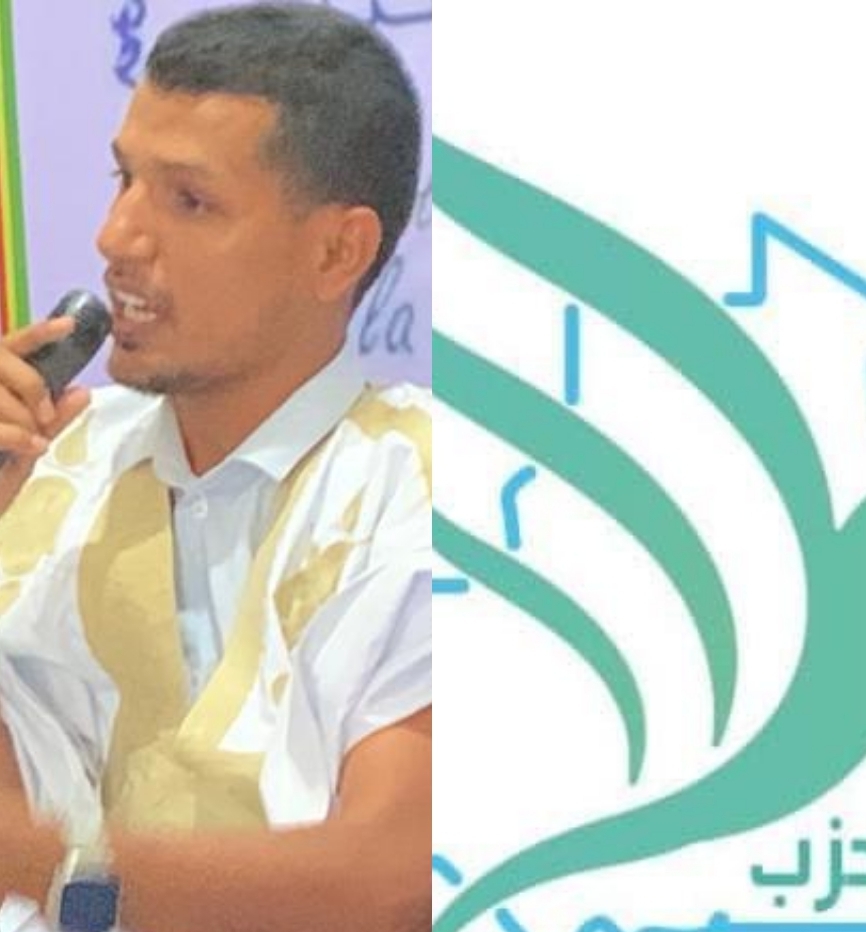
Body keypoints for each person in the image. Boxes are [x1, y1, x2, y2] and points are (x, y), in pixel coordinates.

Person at [0, 4, 430, 931]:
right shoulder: (43, 463)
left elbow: (392, 877)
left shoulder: (432, 491)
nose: (116, 238)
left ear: (337, 251)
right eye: (124, 180)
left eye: (189, 201)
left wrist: (59, 870)